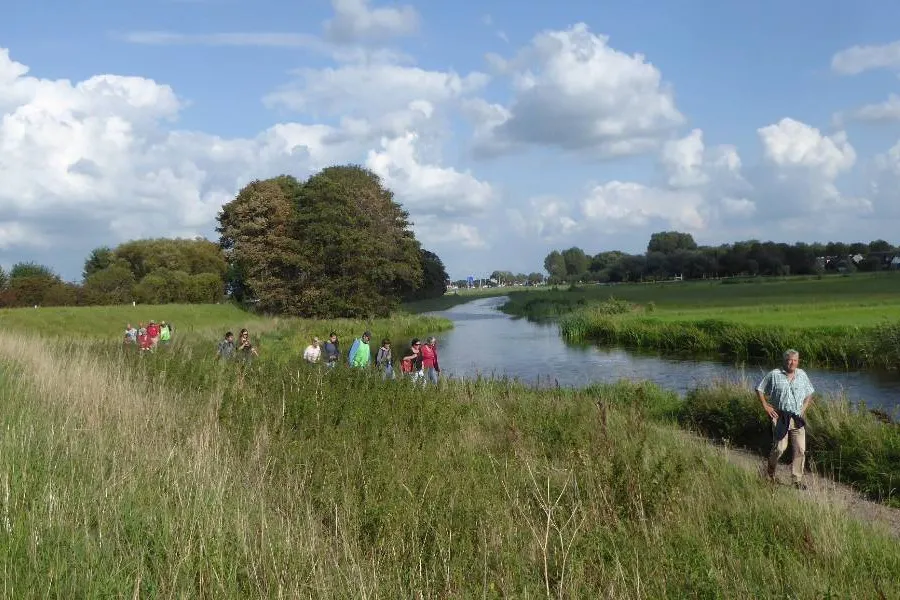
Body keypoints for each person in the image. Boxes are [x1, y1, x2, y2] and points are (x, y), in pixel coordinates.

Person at [756, 349, 815, 490]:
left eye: (794, 360)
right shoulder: (774, 375)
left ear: (798, 361)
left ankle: (797, 480)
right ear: (784, 361)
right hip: (780, 416)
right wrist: (766, 406)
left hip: (797, 417)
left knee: (800, 449)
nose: (791, 362)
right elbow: (759, 389)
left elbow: (810, 393)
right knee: (780, 448)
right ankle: (769, 473)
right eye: (789, 360)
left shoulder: (802, 375)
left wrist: (803, 408)